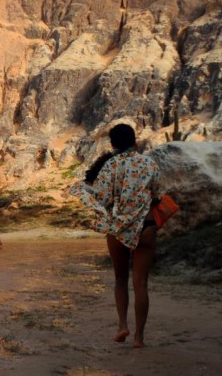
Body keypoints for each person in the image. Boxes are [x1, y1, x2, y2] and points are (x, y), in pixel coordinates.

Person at [72, 124, 160, 348]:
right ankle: (139, 337)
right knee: (141, 283)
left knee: (120, 279)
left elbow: (101, 197)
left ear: (113, 144)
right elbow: (158, 195)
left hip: (118, 227)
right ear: (134, 141)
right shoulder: (149, 164)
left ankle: (122, 326)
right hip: (146, 226)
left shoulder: (111, 165)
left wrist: (82, 190)